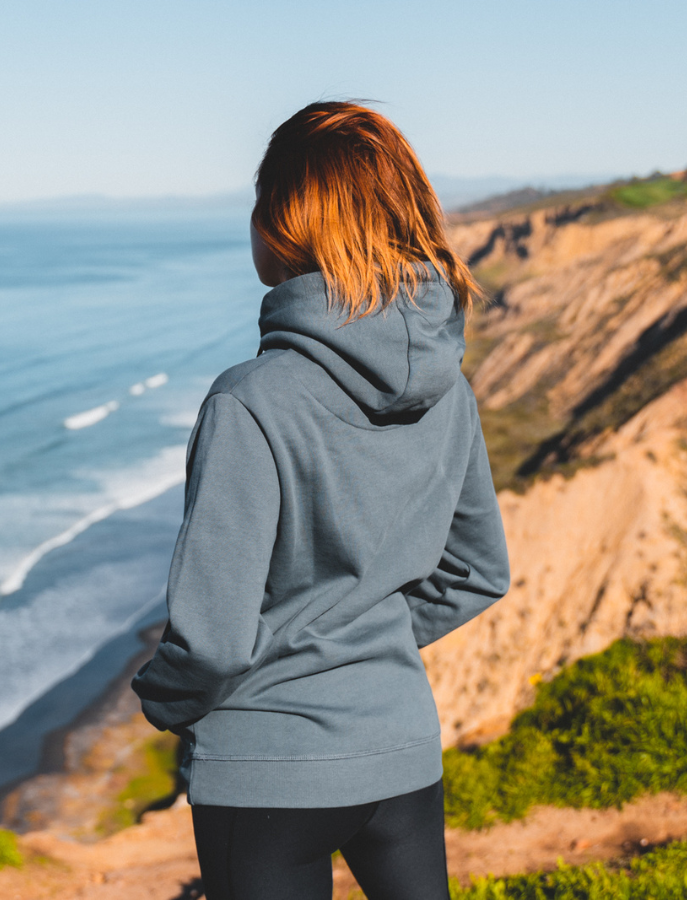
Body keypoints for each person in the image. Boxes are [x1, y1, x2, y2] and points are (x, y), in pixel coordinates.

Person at [131, 101, 510, 900]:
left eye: (262, 203)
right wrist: (356, 645)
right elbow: (477, 571)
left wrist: (160, 700)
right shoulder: (451, 389)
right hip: (400, 749)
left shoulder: (250, 402)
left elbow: (214, 644)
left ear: (290, 222)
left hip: (267, 771)